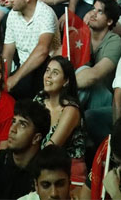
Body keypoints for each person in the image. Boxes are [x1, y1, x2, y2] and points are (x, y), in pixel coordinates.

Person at [3, 0, 59, 99]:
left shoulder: (46, 14)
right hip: (23, 69)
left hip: (45, 68)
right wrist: (3, 80)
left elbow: (42, 51)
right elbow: (8, 53)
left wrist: (15, 78)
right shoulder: (12, 15)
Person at [35, 56, 87, 185]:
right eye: (47, 71)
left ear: (66, 81)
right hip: (43, 167)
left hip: (69, 172)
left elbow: (51, 148)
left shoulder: (71, 110)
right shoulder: (39, 100)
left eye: (55, 73)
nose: (48, 76)